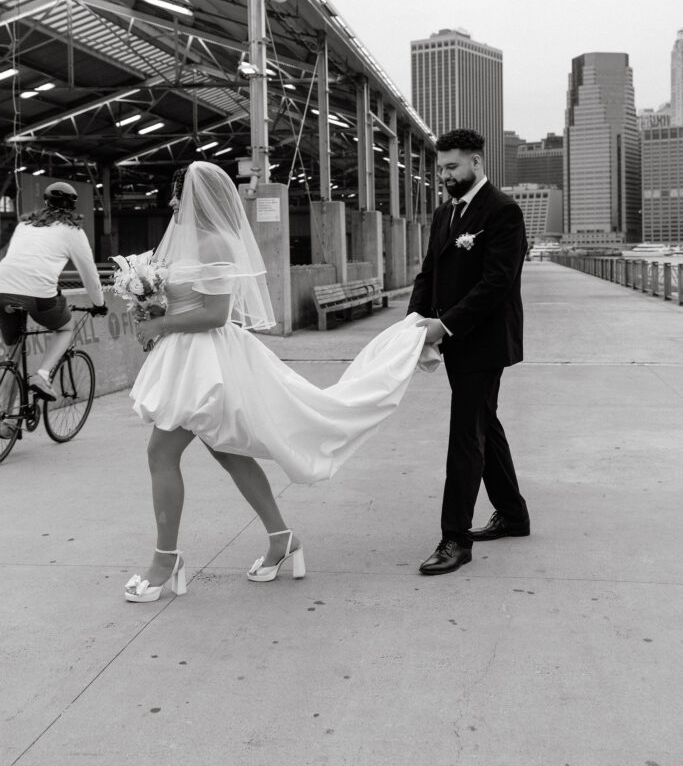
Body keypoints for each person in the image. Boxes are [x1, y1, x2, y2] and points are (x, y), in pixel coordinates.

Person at [125, 161, 439, 603]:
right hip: (190, 359)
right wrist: (151, 309)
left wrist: (161, 325)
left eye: (179, 194)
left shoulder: (214, 242)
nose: (173, 202)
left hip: (207, 362)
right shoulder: (187, 245)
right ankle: (281, 538)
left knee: (161, 452)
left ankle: (166, 559)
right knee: (229, 452)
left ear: (196, 197)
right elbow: (184, 300)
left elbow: (216, 313)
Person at [408, 128, 530, 576]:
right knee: (484, 425)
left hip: (485, 341)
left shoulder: (502, 211)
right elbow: (429, 272)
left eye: (452, 167)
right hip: (454, 338)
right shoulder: (445, 214)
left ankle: (455, 539)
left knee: (466, 436)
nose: (444, 175)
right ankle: (513, 515)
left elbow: (496, 284)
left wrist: (445, 324)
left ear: (477, 163)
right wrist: (414, 321)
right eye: (440, 168)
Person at [0, 181, 108, 434]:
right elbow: (89, 274)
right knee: (65, 329)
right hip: (38, 293)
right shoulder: (72, 231)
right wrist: (99, 304)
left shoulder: (25, 224)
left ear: (45, 203)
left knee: (12, 354)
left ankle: (8, 420)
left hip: (1, 290)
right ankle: (43, 375)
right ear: (73, 207)